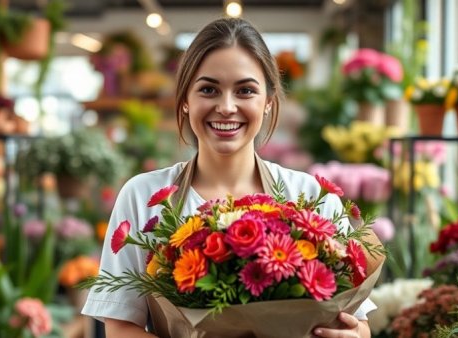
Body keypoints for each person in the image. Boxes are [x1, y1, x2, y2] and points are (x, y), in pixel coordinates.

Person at [82, 17, 377, 338]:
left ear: (268, 102)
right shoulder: (143, 195)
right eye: (208, 89)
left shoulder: (310, 197)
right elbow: (121, 328)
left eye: (245, 90)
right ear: (184, 101)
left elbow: (359, 324)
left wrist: (354, 335)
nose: (226, 106)